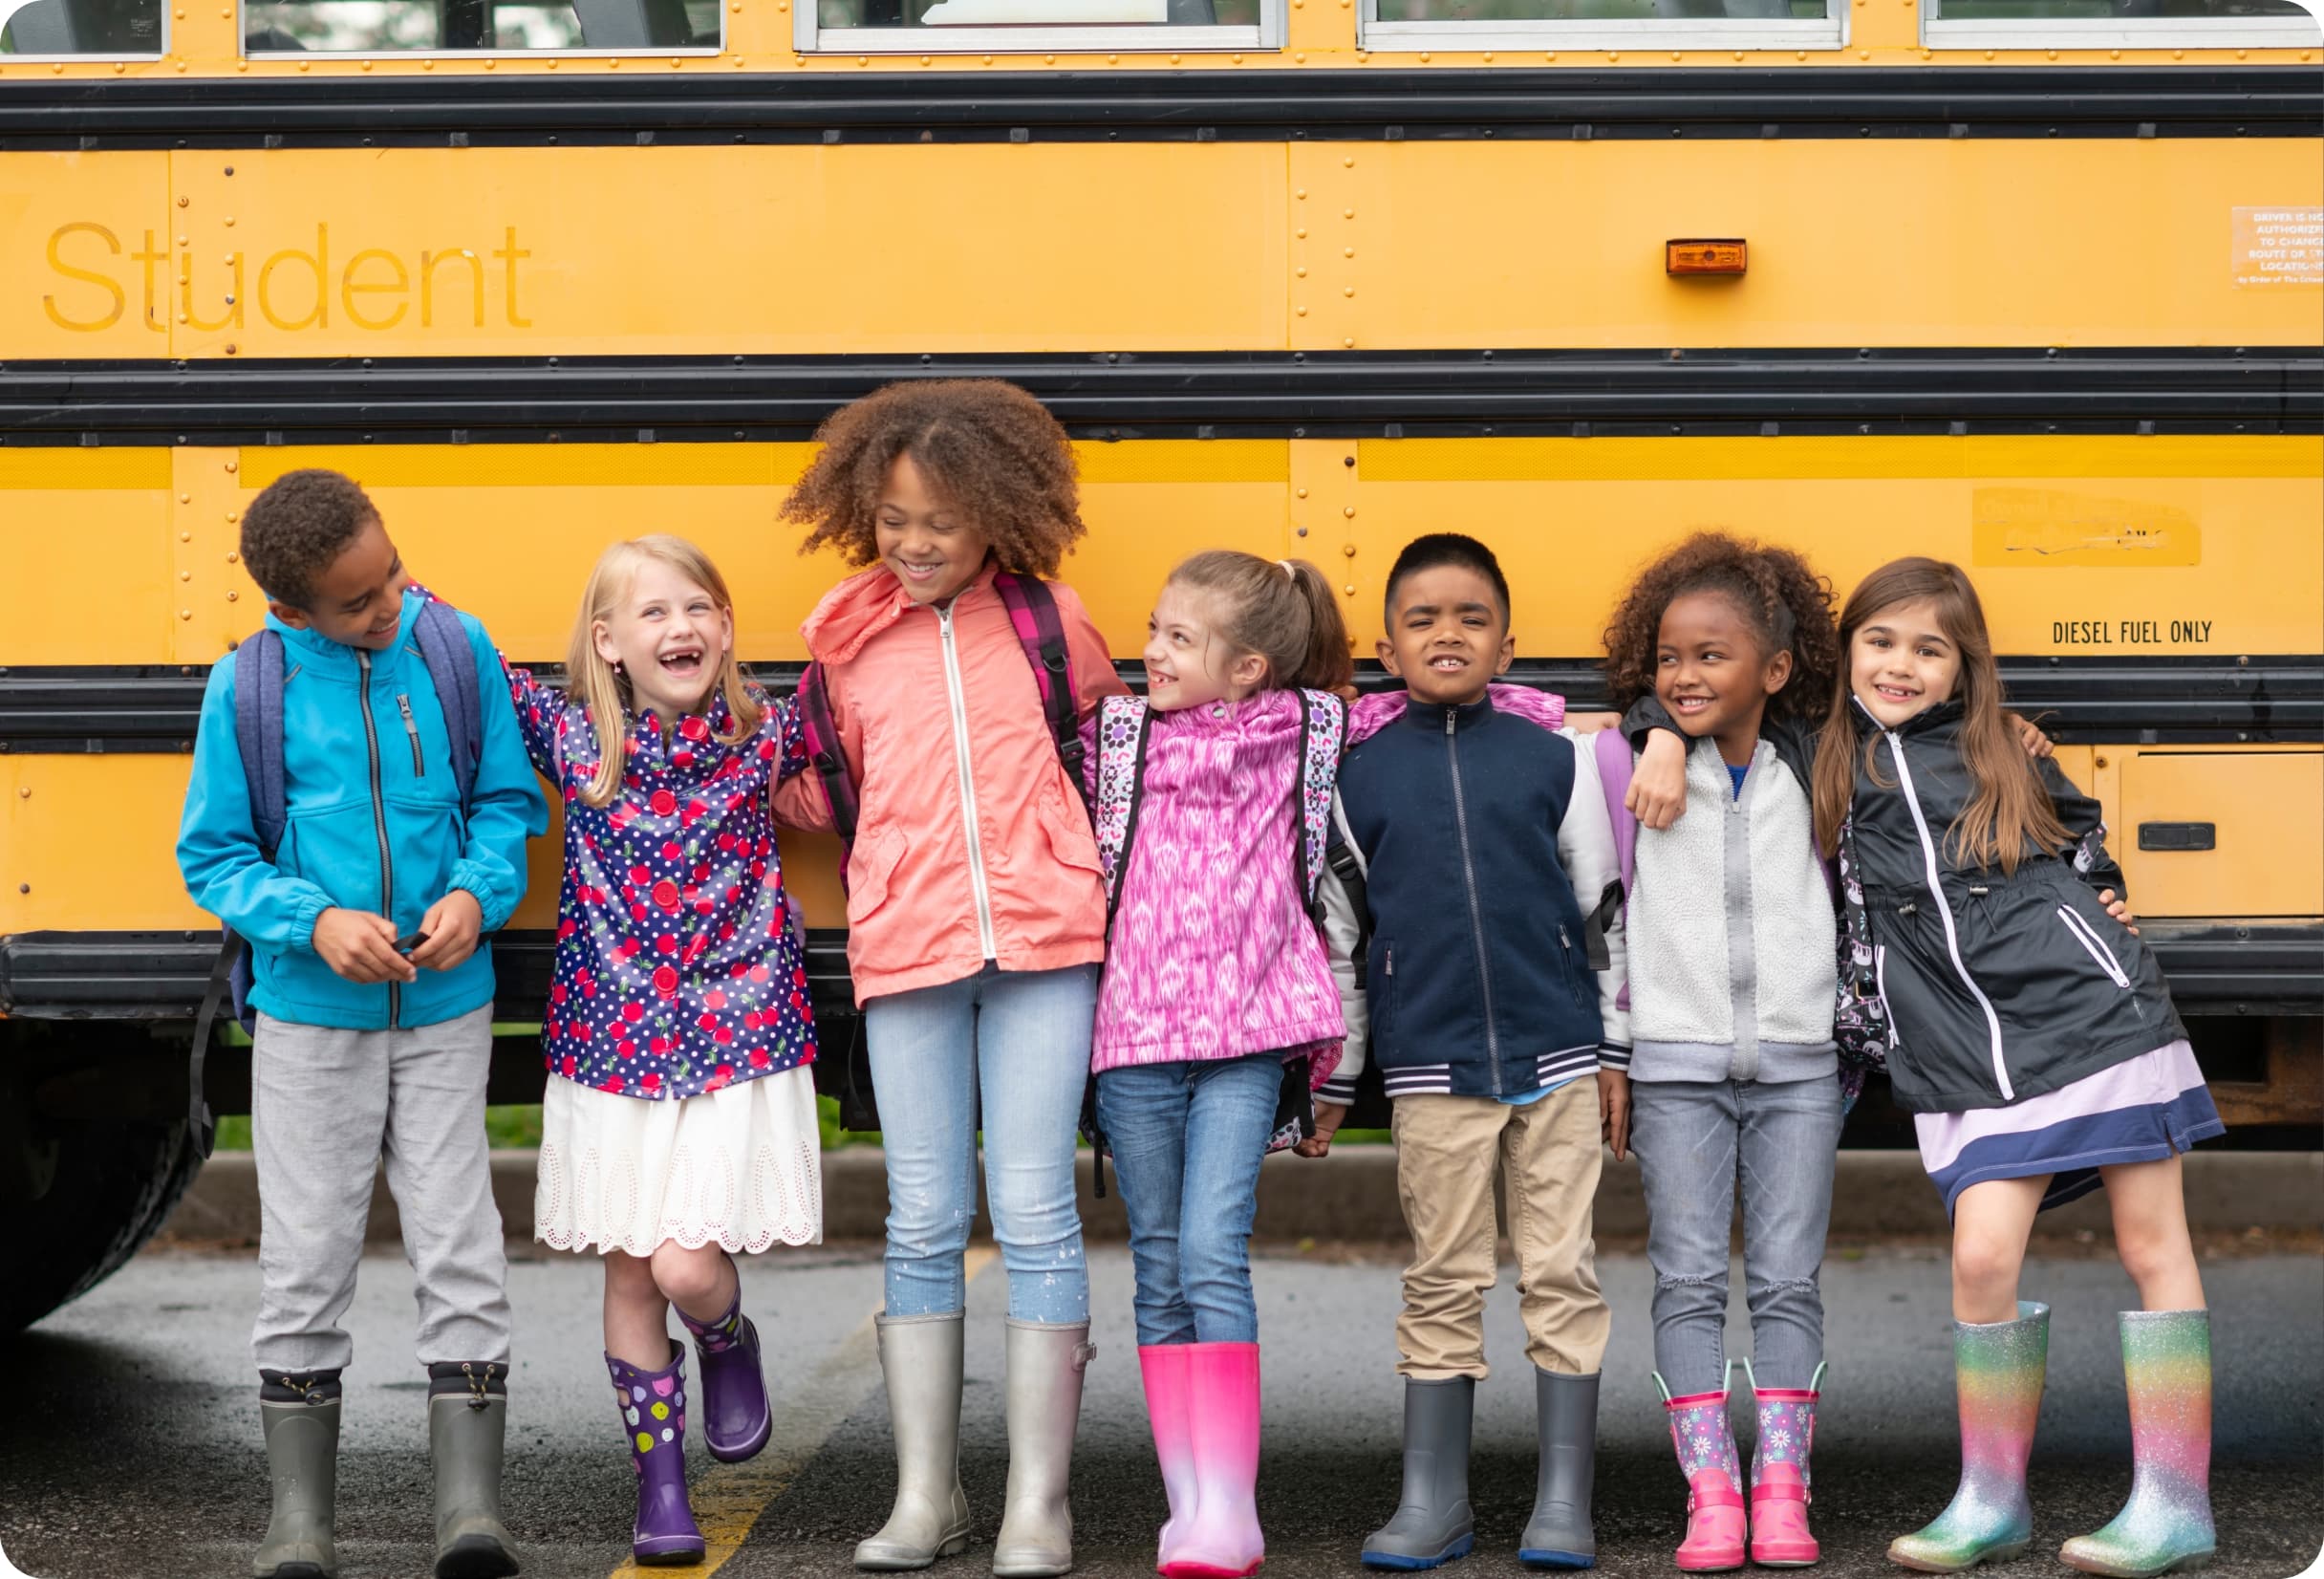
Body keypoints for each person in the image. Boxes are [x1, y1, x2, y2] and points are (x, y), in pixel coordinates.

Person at [773, 379, 1129, 1578]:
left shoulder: (1046, 621)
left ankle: (1038, 1503)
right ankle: (928, 1494)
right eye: (890, 519)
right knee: (921, 1216)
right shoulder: (845, 636)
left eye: (938, 519)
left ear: (998, 515)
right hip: (906, 944)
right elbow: (825, 785)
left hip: (1046, 944)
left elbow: (1108, 753)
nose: (913, 542)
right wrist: (719, 770)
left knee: (1033, 1210)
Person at [1807, 558, 2220, 1579]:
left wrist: (2107, 903)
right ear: (1845, 649)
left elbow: (2080, 839)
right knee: (1983, 1258)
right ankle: (1989, 1498)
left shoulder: (1998, 744)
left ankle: (2173, 1503)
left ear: (1961, 668)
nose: (1899, 664)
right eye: (1881, 639)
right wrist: (1660, 737)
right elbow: (1687, 690)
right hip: (1955, 1044)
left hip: (2087, 1011)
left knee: (2148, 1235)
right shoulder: (1818, 751)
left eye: (1927, 647)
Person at [177, 469, 548, 1579]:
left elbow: (504, 801)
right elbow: (216, 855)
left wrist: (477, 894)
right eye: (359, 601)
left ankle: (469, 1516)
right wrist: (315, 919)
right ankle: (299, 1523)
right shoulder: (247, 685)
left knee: (461, 1242)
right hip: (307, 1018)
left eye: (389, 575)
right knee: (305, 1257)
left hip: (445, 1006)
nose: (390, 605)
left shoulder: (451, 644)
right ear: (292, 612)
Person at [474, 536, 823, 1567]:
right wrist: (393, 584)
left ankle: (724, 1335)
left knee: (684, 1260)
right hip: (612, 1036)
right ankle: (660, 1487)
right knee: (632, 1271)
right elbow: (469, 656)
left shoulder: (762, 733)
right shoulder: (578, 739)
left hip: (737, 1028)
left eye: (700, 608)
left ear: (725, 626)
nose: (682, 628)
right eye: (655, 613)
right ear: (607, 642)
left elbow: (856, 677)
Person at [1314, 531, 1627, 1573]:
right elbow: (1344, 942)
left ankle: (1561, 1501)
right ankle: (1430, 1501)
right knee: (1442, 1275)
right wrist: (1339, 1075)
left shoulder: (1559, 760)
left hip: (1558, 1057)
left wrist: (1611, 1047)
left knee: (1559, 1272)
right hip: (1429, 1064)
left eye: (1470, 617)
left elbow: (1600, 911)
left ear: (1505, 642)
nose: (1447, 633)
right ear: (1385, 645)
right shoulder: (1356, 779)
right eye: (1422, 618)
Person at [1086, 551, 1354, 1579]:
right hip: (1134, 1041)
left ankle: (1230, 1508)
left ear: (1247, 668)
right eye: (1152, 628)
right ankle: (1187, 1502)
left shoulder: (1309, 732)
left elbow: (1460, 702)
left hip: (1246, 1036)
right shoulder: (1116, 737)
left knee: (1208, 1251)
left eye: (1177, 638)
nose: (1151, 650)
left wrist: (1626, 734)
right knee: (1158, 1265)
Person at [1594, 533, 1848, 1571]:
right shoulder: (1624, 760)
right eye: (1667, 658)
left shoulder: (1819, 761)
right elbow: (1607, 918)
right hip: (1672, 1065)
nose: (1684, 674)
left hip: (1797, 1065)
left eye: (1710, 655)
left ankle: (1780, 1490)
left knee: (1788, 1280)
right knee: (1686, 1278)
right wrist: (1616, 1053)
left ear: (1774, 670)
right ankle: (1712, 1495)